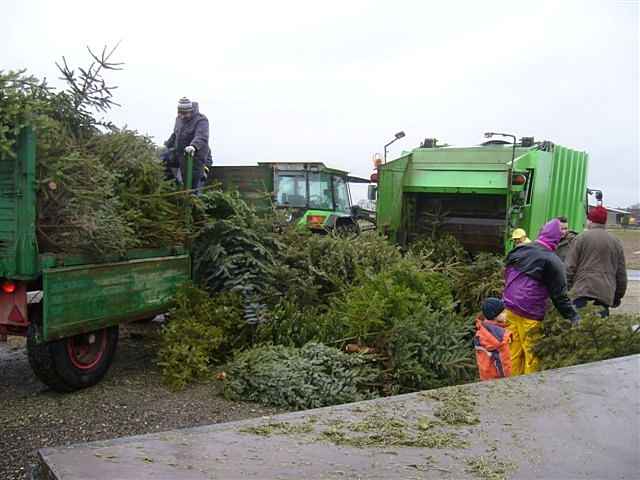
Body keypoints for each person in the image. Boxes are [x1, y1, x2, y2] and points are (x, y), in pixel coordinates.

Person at [502, 219, 579, 375]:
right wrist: (573, 316)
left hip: (510, 307)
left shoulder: (519, 250)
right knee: (532, 353)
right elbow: (559, 295)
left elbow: (507, 273)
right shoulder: (552, 260)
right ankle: (529, 388)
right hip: (530, 313)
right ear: (557, 239)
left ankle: (510, 386)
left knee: (513, 351)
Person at [566, 206, 627, 317]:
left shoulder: (581, 238)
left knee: (578, 330)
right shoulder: (616, 242)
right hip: (604, 294)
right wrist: (617, 295)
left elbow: (570, 267)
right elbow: (621, 273)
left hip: (582, 291)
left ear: (590, 221)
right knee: (599, 331)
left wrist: (568, 290)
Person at [164, 97, 211, 190]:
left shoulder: (201, 120)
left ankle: (194, 201)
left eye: (185, 113)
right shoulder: (179, 119)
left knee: (193, 187)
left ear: (191, 111)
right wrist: (166, 145)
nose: (182, 116)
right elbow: (175, 135)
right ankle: (172, 187)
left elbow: (202, 136)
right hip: (181, 155)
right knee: (163, 158)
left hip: (196, 158)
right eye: (180, 113)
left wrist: (193, 146)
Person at [474, 298, 512, 381]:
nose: (506, 314)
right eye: (503, 312)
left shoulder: (481, 330)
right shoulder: (500, 336)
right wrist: (508, 379)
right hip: (499, 378)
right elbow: (504, 361)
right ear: (495, 316)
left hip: (486, 375)